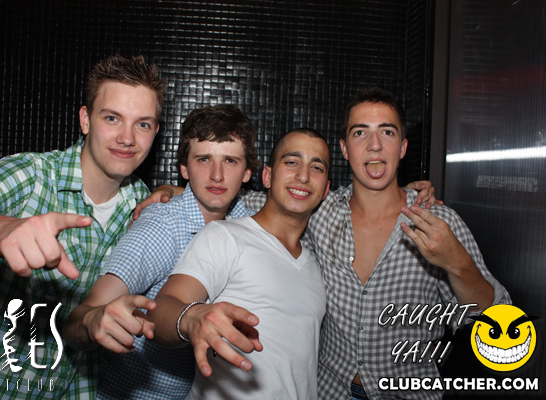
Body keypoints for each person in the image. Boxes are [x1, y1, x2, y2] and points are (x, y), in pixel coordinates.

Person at [153, 87, 511, 400]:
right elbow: (261, 198)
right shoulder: (322, 212)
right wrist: (175, 191)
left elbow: (501, 331)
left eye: (387, 132)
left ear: (402, 147)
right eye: (360, 132)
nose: (374, 145)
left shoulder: (438, 222)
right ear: (345, 149)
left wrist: (458, 264)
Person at [0, 54, 166, 399]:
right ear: (85, 120)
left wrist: (177, 193)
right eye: (112, 118)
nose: (127, 138)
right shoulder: (33, 175)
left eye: (143, 124)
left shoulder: (142, 203)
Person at [63, 104, 260, 399]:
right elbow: (80, 319)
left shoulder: (245, 221)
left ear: (247, 172)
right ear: (184, 168)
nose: (217, 175)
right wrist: (93, 322)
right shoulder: (162, 226)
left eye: (230, 161)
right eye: (203, 159)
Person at [148, 128, 332, 399]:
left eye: (316, 167)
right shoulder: (225, 236)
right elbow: (161, 310)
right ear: (267, 176)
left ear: (326, 189)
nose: (303, 176)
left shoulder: (316, 264)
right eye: (292, 162)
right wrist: (191, 318)